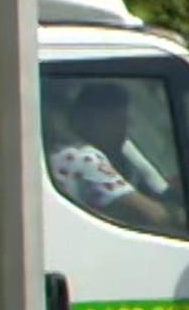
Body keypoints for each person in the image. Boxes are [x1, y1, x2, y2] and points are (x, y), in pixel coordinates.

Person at [47, 81, 180, 233]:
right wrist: (180, 215)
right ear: (86, 120)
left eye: (123, 122)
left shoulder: (67, 150)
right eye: (115, 122)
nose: (122, 131)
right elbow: (156, 215)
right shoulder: (84, 158)